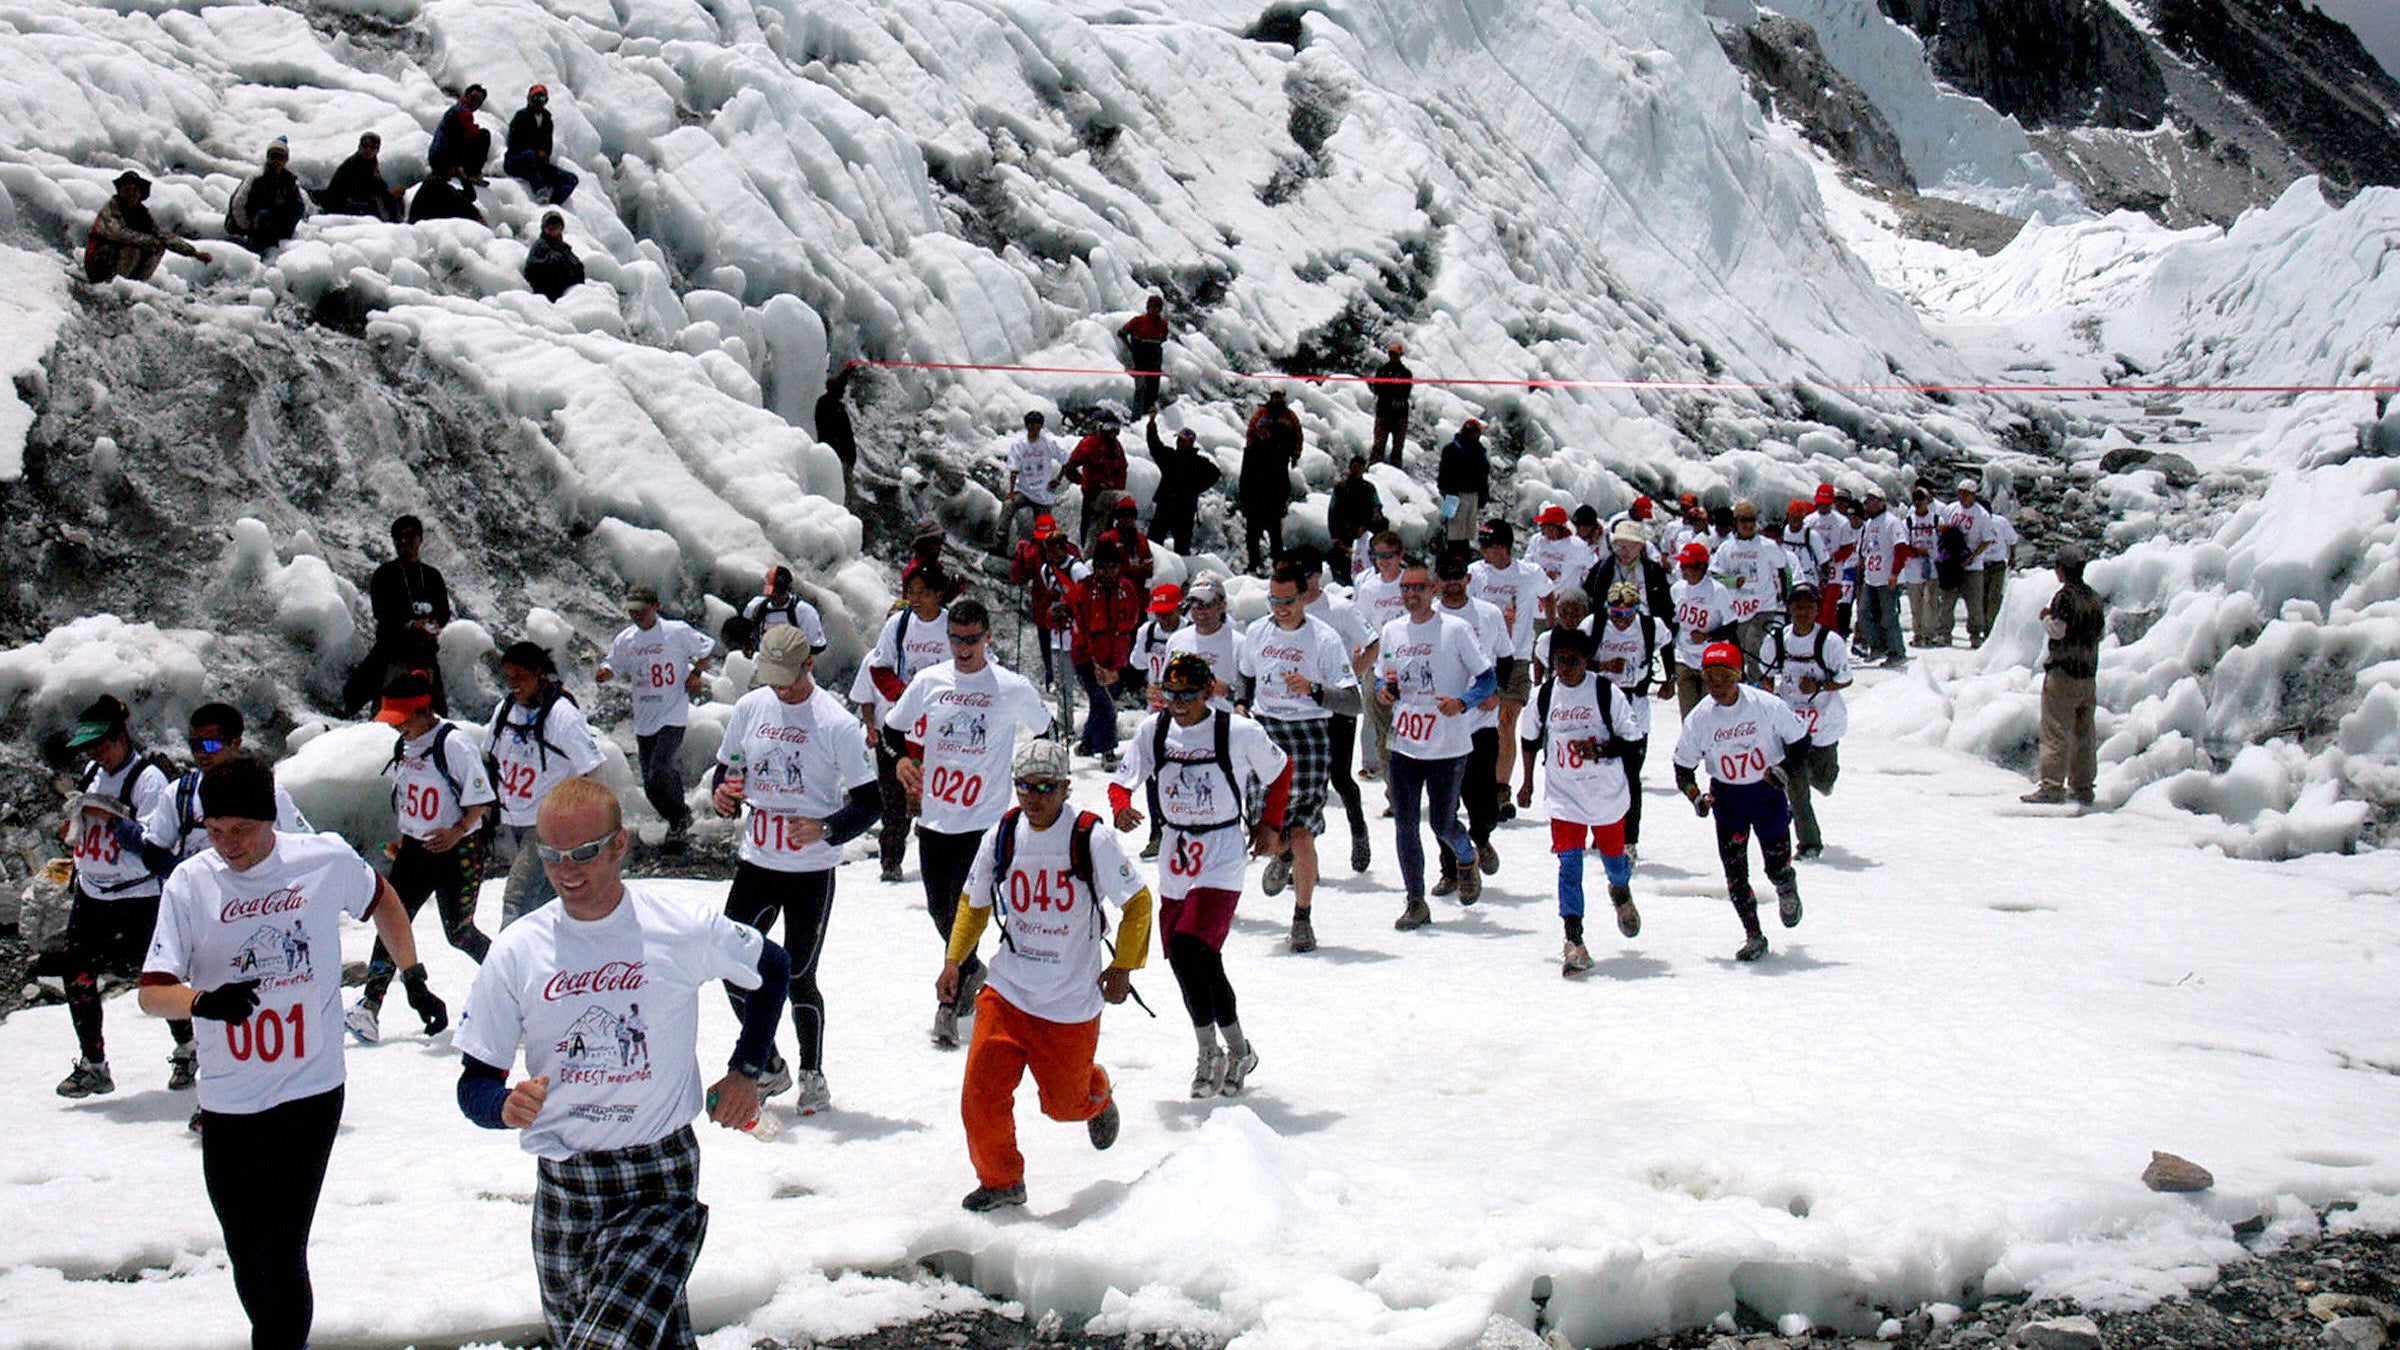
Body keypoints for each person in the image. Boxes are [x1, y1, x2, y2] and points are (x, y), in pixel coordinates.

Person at [454, 779, 790, 1350]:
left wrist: (745, 1070)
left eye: (584, 852)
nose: (567, 871)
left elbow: (773, 965)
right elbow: (474, 1084)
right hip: (566, 1184)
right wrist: (504, 1106)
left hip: (657, 1180)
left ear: (619, 845)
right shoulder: (518, 950)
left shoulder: (679, 927)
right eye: (550, 855)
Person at [139, 754, 428, 1350]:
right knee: (247, 1250)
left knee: (283, 1245)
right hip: (228, 1098)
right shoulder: (191, 883)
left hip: (309, 1089)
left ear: (271, 820)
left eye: (240, 831)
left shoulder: (320, 858)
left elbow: (384, 900)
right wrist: (202, 1002)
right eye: (215, 832)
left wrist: (414, 973)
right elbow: (152, 994)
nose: (227, 846)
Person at [942, 739, 1151, 1211]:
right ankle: (1001, 1181)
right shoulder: (1003, 835)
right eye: (1024, 787)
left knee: (1063, 1106)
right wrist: (954, 960)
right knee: (980, 1095)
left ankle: (1096, 1093)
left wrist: (1124, 966)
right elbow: (973, 905)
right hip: (1008, 990)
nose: (1033, 797)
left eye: (1045, 787)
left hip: (1069, 1001)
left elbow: (1138, 905)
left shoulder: (1089, 837)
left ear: (1065, 787)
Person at [712, 626, 880, 1113]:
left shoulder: (835, 723)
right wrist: (724, 795)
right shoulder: (750, 708)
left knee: (799, 976)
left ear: (809, 666)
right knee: (730, 964)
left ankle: (813, 1071)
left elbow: (870, 802)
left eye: (788, 678)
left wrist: (827, 830)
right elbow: (729, 772)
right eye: (773, 679)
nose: (780, 688)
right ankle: (768, 1064)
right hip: (757, 862)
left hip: (809, 870)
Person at [1110, 654, 1290, 1098]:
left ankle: (1213, 1051)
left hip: (1223, 850)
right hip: (1175, 851)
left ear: (1208, 692)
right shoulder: (1155, 731)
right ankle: (1231, 1049)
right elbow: (1122, 780)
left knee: (1194, 945)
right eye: (1171, 694)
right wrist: (1121, 808)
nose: (1179, 704)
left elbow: (1280, 770)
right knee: (1190, 959)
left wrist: (1270, 823)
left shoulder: (1238, 731)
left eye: (1188, 695)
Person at [889, 599, 1056, 1047]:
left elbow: (1047, 731)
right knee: (939, 909)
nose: (963, 649)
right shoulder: (930, 681)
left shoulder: (1010, 686)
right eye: (956, 639)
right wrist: (904, 760)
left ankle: (950, 1002)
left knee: (966, 908)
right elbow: (892, 728)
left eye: (971, 640)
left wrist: (1035, 782)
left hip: (983, 821)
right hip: (936, 816)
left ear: (987, 638)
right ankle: (969, 971)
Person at [48, 695, 183, 1098]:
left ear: (122, 738)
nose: (96, 754)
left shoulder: (148, 780)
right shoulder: (92, 772)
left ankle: (188, 1047)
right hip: (92, 892)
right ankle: (93, 1062)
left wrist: (114, 819)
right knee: (77, 973)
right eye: (90, 747)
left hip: (136, 897)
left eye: (102, 745)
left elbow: (155, 844)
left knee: (157, 977)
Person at [346, 670, 490, 1043]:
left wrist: (456, 831)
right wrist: (404, 837)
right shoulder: (405, 746)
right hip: (414, 849)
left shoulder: (453, 743)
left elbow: (481, 801)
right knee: (392, 919)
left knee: (459, 932)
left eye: (402, 720)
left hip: (458, 851)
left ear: (423, 711)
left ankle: (514, 986)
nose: (398, 729)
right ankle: (368, 1007)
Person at [1238, 562, 1358, 953]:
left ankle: (1302, 916)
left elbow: (1353, 700)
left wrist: (1315, 690)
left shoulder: (1324, 639)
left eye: (1288, 601)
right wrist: (1241, 702)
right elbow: (1246, 674)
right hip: (1266, 730)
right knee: (1264, 831)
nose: (1280, 608)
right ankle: (1282, 851)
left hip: (1308, 732)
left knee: (1304, 829)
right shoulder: (1257, 631)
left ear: (1304, 597)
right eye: (1274, 601)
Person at [1377, 558, 1497, 928]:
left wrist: (1462, 703)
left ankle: (1465, 856)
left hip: (1447, 745)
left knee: (1443, 823)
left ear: (1432, 591)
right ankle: (1415, 900)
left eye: (1418, 588)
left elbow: (1488, 679)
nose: (1411, 595)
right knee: (1406, 824)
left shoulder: (1456, 630)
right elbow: (1384, 678)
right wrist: (1384, 692)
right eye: (1405, 589)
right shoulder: (1392, 631)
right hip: (1406, 744)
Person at [1673, 644, 1811, 963]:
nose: (1717, 687)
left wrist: (1785, 772)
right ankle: (1753, 934)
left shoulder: (1765, 705)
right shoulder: (1700, 718)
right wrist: (1697, 797)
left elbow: (1801, 741)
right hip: (1728, 799)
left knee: (1775, 863)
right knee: (1735, 874)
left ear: (1737, 677)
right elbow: (1682, 768)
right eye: (1710, 680)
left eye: (1724, 678)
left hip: (1767, 793)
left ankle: (1785, 883)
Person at [1520, 627, 1642, 975]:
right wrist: (1527, 781)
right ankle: (1574, 940)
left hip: (1605, 795)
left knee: (1615, 861)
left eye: (1573, 660)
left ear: (1586, 661)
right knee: (1569, 864)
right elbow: (1529, 737)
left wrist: (1601, 750)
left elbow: (1633, 743)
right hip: (1564, 796)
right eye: (1559, 661)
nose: (1566, 667)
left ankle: (1620, 891)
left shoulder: (1606, 693)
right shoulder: (1545, 696)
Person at [487, 642, 605, 924]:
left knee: (516, 899)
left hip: (550, 822)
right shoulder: (505, 710)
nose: (513, 684)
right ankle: (562, 960)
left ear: (539, 673)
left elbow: (593, 768)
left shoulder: (562, 715)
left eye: (520, 677)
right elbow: (487, 756)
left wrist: (600, 823)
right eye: (508, 677)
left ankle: (507, 966)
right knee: (545, 903)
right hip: (514, 818)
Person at [596, 585, 715, 853]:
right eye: (632, 611)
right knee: (649, 784)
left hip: (672, 712)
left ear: (656, 607)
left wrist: (695, 674)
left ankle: (680, 816)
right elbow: (613, 663)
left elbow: (707, 648)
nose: (636, 615)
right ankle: (677, 818)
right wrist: (605, 671)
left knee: (660, 768)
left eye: (641, 610)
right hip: (645, 716)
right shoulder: (627, 639)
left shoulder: (676, 631)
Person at [853, 570, 954, 882]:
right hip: (894, 731)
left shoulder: (951, 628)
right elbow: (868, 689)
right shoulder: (890, 639)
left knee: (935, 795)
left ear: (939, 594)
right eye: (911, 592)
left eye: (922, 592)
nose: (915, 600)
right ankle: (891, 861)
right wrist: (874, 723)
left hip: (937, 730)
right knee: (894, 800)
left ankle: (941, 859)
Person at [142, 703, 313, 876]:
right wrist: (199, 876)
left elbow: (305, 846)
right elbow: (153, 855)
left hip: (262, 897)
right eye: (195, 746)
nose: (201, 754)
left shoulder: (268, 791)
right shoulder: (178, 794)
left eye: (210, 745)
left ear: (235, 743)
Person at [1436, 547, 1509, 892]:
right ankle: (1450, 870)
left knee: (1483, 801)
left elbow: (1507, 658)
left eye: (1457, 576)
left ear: (1468, 578)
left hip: (1481, 720)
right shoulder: (1429, 617)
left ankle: (1480, 838)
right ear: (1437, 582)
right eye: (1445, 577)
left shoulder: (1489, 614)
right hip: (1442, 725)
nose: (1452, 583)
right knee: (1444, 805)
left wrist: (1497, 690)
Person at [1761, 584, 1850, 860]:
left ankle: (1821, 776)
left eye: (1808, 607)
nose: (1802, 613)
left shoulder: (1830, 642)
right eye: (1797, 607)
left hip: (1823, 725)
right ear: (1789, 609)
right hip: (1792, 730)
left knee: (1823, 780)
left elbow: (1845, 679)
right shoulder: (1776, 640)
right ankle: (1809, 843)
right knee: (1796, 787)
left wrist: (1820, 686)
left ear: (1816, 609)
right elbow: (1766, 675)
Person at [1298, 558, 1375, 875]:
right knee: (1308, 781)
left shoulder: (1339, 609)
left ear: (1319, 575)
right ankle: (1304, 856)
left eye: (1311, 575)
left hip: (1338, 702)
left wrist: (1351, 677)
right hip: (1302, 706)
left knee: (1340, 777)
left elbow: (1372, 643)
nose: (1307, 582)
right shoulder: (1287, 610)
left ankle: (1359, 831)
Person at [1586, 581, 1670, 856]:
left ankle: (1629, 839)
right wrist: (1603, 666)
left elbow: (1667, 644)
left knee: (1630, 775)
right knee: (1598, 773)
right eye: (1615, 614)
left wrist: (1671, 677)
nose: (1621, 621)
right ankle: (1601, 831)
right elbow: (1575, 659)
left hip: (1635, 704)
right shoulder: (1594, 625)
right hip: (1601, 704)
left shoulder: (1649, 627)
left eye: (1627, 614)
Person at [342, 514, 451, 717]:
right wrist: (410, 625)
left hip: (425, 655)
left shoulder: (432, 576)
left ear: (420, 539)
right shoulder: (385, 575)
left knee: (433, 715)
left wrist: (434, 624)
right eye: (398, 537)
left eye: (409, 536)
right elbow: (382, 612)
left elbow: (443, 611)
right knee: (388, 713)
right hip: (393, 656)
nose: (403, 541)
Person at [2024, 545, 2106, 806]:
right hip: (2088, 674)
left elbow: (2058, 631)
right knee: (2085, 733)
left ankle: (2052, 786)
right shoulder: (2094, 598)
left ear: (2062, 569)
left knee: (2055, 730)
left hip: (2063, 673)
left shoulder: (2064, 597)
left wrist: (2045, 618)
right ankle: (2083, 787)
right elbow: (2100, 632)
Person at [1068, 541, 1144, 770]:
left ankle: (1088, 743)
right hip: (1087, 659)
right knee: (1105, 703)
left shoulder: (1127, 589)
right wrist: (1093, 661)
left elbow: (1131, 620)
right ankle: (1108, 748)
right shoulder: (1083, 590)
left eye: (1112, 566)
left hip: (1116, 660)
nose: (1106, 572)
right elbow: (1078, 625)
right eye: (1101, 567)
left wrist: (1121, 663)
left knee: (1100, 702)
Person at [1009, 516, 1084, 735]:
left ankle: (1068, 705)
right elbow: (1019, 578)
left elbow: (1082, 590)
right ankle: (1053, 687)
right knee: (1051, 658)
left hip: (1072, 624)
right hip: (1045, 616)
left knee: (1071, 668)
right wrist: (1019, 559)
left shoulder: (1072, 556)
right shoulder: (1032, 553)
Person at [1350, 531, 1407, 785]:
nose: (1383, 561)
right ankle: (1392, 789)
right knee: (1379, 723)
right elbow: (1360, 624)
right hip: (1378, 664)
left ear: (1400, 555)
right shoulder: (1369, 588)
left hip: (1409, 661)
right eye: (1378, 556)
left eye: (1388, 556)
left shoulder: (1410, 582)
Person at [84, 170, 212, 283]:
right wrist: (147, 240)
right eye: (127, 190)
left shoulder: (142, 214)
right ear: (120, 191)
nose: (131, 194)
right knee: (133, 249)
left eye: (134, 190)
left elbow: (163, 235)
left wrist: (193, 252)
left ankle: (137, 283)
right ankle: (116, 284)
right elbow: (118, 233)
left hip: (119, 261)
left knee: (158, 246)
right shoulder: (110, 209)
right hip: (98, 263)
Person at [1713, 501, 1790, 680]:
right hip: (1738, 609)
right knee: (1739, 652)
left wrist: (1788, 596)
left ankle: (1759, 687)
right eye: (1743, 521)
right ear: (1735, 522)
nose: (1748, 525)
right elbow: (1715, 575)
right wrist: (1732, 583)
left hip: (1763, 606)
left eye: (1752, 520)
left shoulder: (1767, 545)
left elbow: (1784, 568)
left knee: (1754, 648)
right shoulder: (1726, 548)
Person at [1668, 543, 1736, 718]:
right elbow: (1674, 622)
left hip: (1711, 660)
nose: (1682, 571)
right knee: (1689, 714)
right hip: (1684, 658)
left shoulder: (1717, 591)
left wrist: (1708, 636)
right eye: (1681, 566)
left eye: (1687, 566)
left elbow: (1731, 625)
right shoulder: (1677, 589)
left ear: (1701, 567)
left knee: (1712, 712)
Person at [1239, 389, 1303, 573]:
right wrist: (1245, 500)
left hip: (1273, 501)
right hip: (1255, 501)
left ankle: (1278, 568)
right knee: (1252, 537)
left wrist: (1282, 501)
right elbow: (1245, 477)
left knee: (1276, 538)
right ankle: (1253, 565)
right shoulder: (1252, 452)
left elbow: (1284, 480)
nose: (1263, 434)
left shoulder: (1279, 453)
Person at [1145, 412, 1220, 557]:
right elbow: (1155, 446)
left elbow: (1215, 474)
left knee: (1182, 549)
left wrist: (1196, 488)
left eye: (1183, 441)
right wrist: (1151, 425)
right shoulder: (1170, 457)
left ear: (1191, 443)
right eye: (1178, 440)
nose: (1179, 443)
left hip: (1184, 511)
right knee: (1153, 544)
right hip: (1165, 506)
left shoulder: (1199, 463)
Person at [1162, 576, 1238, 712]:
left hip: (1223, 721)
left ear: (1222, 605)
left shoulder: (1239, 643)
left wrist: (1229, 691)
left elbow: (1251, 691)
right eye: (1194, 604)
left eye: (1206, 604)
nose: (1199, 611)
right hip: (1183, 717)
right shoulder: (1176, 640)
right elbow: (1164, 682)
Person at [1853, 487, 1909, 667]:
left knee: (1888, 617)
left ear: (1882, 502)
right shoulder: (1869, 524)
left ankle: (1896, 652)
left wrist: (1895, 573)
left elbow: (1901, 549)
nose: (1869, 505)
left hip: (1887, 577)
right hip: (1871, 577)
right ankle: (1877, 646)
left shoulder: (1892, 522)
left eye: (1873, 501)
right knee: (1864, 613)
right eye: (1867, 501)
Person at [224, 139, 307, 254]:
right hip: (252, 222)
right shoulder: (257, 177)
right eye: (273, 156)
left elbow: (297, 203)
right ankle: (255, 249)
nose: (276, 161)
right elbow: (238, 204)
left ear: (286, 160)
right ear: (268, 158)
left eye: (280, 157)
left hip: (274, 219)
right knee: (264, 215)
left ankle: (282, 243)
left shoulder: (289, 180)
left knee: (297, 207)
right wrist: (246, 227)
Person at [1946, 478, 2001, 647]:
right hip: (1952, 562)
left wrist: (1972, 556)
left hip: (1973, 565)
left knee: (1974, 602)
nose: (1962, 497)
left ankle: (1975, 633)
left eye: (1966, 494)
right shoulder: (1951, 509)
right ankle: (1944, 632)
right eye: (1960, 493)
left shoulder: (1982, 515)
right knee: (1948, 599)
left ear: (1973, 495)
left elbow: (1987, 539)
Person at [1063, 416, 1131, 552]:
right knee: (1089, 527)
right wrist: (1085, 483)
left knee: (1109, 525)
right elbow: (1070, 467)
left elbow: (1122, 471)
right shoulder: (1089, 444)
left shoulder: (1117, 447)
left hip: (1110, 496)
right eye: (1109, 428)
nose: (1113, 432)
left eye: (1116, 429)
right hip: (1092, 495)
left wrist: (1115, 487)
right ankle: (1087, 554)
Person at [504, 84, 578, 204]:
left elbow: (548, 145)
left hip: (537, 163)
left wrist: (544, 155)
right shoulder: (521, 117)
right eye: (535, 98)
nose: (538, 102)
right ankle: (539, 190)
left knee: (571, 179)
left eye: (542, 99)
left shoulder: (547, 120)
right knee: (529, 155)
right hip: (516, 161)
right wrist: (536, 152)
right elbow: (513, 143)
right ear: (529, 99)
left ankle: (555, 203)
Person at [1004, 411, 1068, 550]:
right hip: (1024, 491)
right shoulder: (1019, 445)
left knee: (1044, 532)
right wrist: (1011, 491)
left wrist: (1058, 479)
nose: (1034, 428)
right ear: (1027, 426)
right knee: (1008, 505)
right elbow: (1013, 469)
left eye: (1037, 425)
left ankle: (1041, 554)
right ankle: (1000, 544)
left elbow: (1066, 460)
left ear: (1041, 426)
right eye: (1031, 425)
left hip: (1043, 495)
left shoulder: (1049, 444)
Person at [739, 565, 828, 656]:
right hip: (763, 662)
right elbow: (745, 632)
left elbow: (818, 646)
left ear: (788, 590)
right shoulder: (755, 607)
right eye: (772, 592)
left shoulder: (804, 611)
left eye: (779, 592)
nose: (775, 596)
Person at [317, 132, 404, 220]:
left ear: (377, 150)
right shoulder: (356, 164)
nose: (368, 150)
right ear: (359, 147)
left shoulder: (370, 162)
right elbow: (364, 188)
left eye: (372, 147)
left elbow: (378, 184)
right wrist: (388, 193)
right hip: (339, 206)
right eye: (365, 146)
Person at [1526, 504, 1597, 606]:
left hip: (1565, 606)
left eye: (1544, 525)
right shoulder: (1536, 540)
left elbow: (1594, 568)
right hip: (1537, 602)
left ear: (1555, 527)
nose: (1541, 527)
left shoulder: (1577, 546)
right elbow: (1527, 565)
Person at [1326, 456, 1381, 584]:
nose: (1357, 470)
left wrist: (1367, 526)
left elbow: (1376, 506)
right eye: (1354, 466)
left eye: (1360, 467)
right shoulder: (1340, 488)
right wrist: (1335, 536)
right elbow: (1332, 512)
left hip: (1364, 534)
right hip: (1344, 534)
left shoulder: (1369, 489)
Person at [1902, 485, 1945, 648]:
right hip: (1913, 567)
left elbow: (1943, 541)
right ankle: (1918, 633)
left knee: (1931, 602)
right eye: (1916, 500)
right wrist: (1916, 551)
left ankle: (1929, 634)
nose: (1919, 503)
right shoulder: (1908, 522)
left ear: (1928, 501)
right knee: (1916, 603)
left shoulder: (1937, 520)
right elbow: (1904, 545)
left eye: (1922, 500)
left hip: (1933, 567)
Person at [1436, 419, 1489, 546]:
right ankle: (1453, 554)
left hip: (1473, 494)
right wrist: (1445, 491)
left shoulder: (1479, 451)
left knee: (1469, 531)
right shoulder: (1453, 449)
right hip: (1455, 495)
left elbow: (1483, 475)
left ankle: (1464, 552)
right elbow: (1444, 472)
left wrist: (1483, 495)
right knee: (1453, 531)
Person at [1118, 294, 1170, 417]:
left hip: (1155, 364)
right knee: (1140, 390)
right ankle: (1136, 418)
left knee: (1152, 393)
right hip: (1140, 363)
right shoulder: (1137, 321)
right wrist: (1131, 349)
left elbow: (1163, 340)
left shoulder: (1163, 325)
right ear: (1147, 307)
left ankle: (1148, 418)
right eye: (1152, 307)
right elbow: (1122, 333)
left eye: (1157, 308)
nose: (1154, 310)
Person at [428, 84, 492, 182]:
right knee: (484, 135)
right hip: (444, 160)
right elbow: (469, 133)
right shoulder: (462, 111)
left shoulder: (456, 109)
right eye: (473, 98)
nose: (475, 103)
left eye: (479, 101)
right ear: (466, 96)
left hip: (437, 158)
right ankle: (472, 173)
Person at [1368, 341, 1413, 466]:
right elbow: (1377, 389)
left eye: (1395, 354)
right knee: (1378, 445)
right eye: (1391, 353)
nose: (1393, 356)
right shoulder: (1382, 370)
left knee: (1397, 448)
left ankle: (1395, 470)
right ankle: (1374, 467)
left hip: (1399, 414)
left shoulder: (1405, 373)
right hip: (1384, 412)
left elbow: (1405, 392)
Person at [522, 211, 583, 301]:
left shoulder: (564, 248)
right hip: (545, 297)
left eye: (556, 226)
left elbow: (578, 267)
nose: (553, 229)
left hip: (566, 295)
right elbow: (532, 269)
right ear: (544, 228)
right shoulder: (540, 246)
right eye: (549, 226)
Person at [1095, 499, 1156, 589]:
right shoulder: (1107, 539)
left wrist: (1148, 567)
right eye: (1123, 515)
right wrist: (1135, 569)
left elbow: (1149, 561)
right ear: (1118, 517)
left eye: (1131, 515)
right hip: (1115, 589)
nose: (1127, 519)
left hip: (1139, 590)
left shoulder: (1141, 539)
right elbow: (1102, 570)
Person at [816, 364, 858, 484]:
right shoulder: (827, 405)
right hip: (838, 457)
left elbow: (838, 385)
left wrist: (847, 371)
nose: (843, 392)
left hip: (841, 458)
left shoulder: (826, 403)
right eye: (841, 390)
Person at [405, 166, 483, 224]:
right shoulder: (436, 185)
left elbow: (469, 196)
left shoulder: (435, 183)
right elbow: (466, 206)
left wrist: (463, 178)